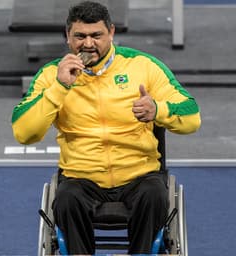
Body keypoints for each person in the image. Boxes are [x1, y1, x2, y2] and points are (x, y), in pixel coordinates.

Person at [11, 1, 201, 254]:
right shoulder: (51, 75)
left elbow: (192, 117)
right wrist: (60, 88)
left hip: (138, 175)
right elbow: (24, 133)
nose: (88, 44)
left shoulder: (143, 66)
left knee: (155, 196)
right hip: (81, 178)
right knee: (66, 200)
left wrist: (158, 110)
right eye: (80, 36)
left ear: (111, 33)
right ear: (68, 36)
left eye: (96, 35)